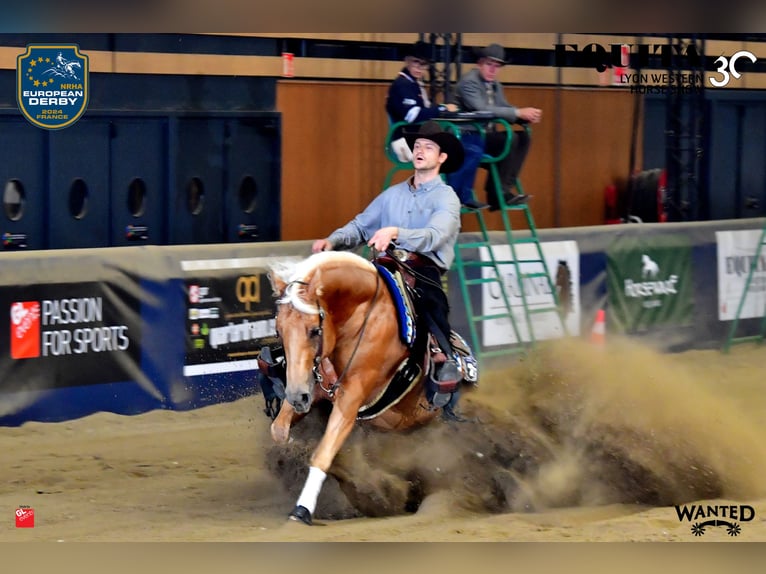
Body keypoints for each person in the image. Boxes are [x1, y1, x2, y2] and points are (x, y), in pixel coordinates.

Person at [312, 121, 464, 416]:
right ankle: (307, 360)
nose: (420, 151)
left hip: (422, 271)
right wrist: (333, 241)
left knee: (433, 306)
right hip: (383, 266)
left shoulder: (446, 198)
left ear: (441, 158)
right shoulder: (392, 195)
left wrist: (396, 233)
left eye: (428, 148)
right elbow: (360, 225)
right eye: (417, 146)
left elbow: (436, 235)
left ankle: (444, 364)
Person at [451, 43, 543, 211]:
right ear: (479, 63)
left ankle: (504, 190)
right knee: (510, 139)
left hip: (484, 136)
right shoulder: (469, 82)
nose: (493, 70)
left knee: (523, 137)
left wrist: (524, 116)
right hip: (466, 137)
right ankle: (496, 193)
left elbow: (505, 107)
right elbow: (483, 109)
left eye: (497, 66)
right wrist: (517, 113)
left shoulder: (495, 85)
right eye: (489, 64)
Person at [385, 41, 458, 165]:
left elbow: (425, 110)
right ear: (407, 61)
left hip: (415, 136)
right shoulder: (402, 84)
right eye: (415, 62)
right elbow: (413, 115)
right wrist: (441, 109)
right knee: (458, 149)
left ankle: (446, 184)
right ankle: (451, 185)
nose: (419, 68)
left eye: (423, 64)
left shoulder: (415, 84)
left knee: (461, 145)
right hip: (403, 140)